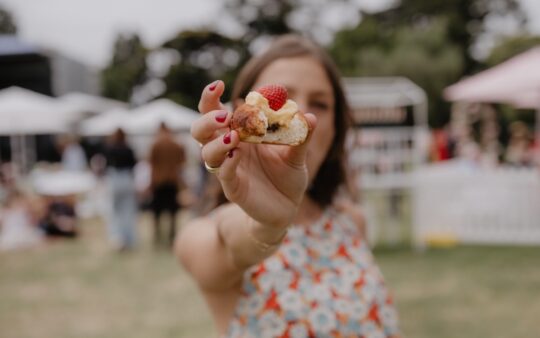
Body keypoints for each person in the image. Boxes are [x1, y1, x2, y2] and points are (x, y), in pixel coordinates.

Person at [176, 35, 400, 337]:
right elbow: (235, 242)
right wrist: (268, 225)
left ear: (336, 127)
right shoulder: (202, 236)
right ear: (241, 113)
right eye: (278, 102)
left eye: (320, 104)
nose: (301, 117)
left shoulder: (351, 221)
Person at [148, 122, 186, 247]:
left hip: (158, 181)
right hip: (172, 181)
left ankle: (158, 237)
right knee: (173, 212)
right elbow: (182, 162)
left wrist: (151, 183)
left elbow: (151, 165)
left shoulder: (155, 144)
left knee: (157, 213)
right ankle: (172, 238)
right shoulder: (176, 144)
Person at [104, 128, 138, 250]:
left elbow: (106, 164)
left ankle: (117, 238)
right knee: (128, 211)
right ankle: (128, 239)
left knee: (115, 211)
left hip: (114, 180)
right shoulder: (128, 149)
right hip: (127, 179)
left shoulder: (110, 148)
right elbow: (134, 164)